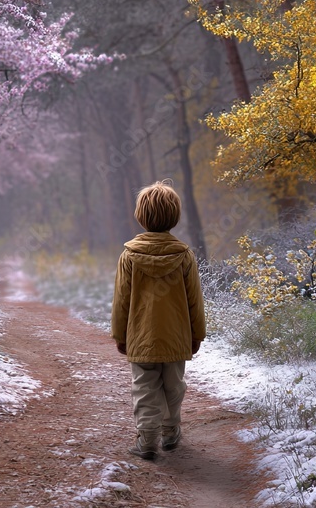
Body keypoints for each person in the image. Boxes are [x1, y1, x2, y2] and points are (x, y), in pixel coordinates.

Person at [110, 180, 206, 460]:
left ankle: (147, 439)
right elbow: (194, 300)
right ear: (174, 216)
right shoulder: (184, 256)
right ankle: (171, 432)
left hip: (141, 336)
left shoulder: (129, 256)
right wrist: (196, 334)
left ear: (141, 216)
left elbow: (122, 300)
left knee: (144, 386)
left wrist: (120, 334)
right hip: (176, 337)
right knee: (173, 386)